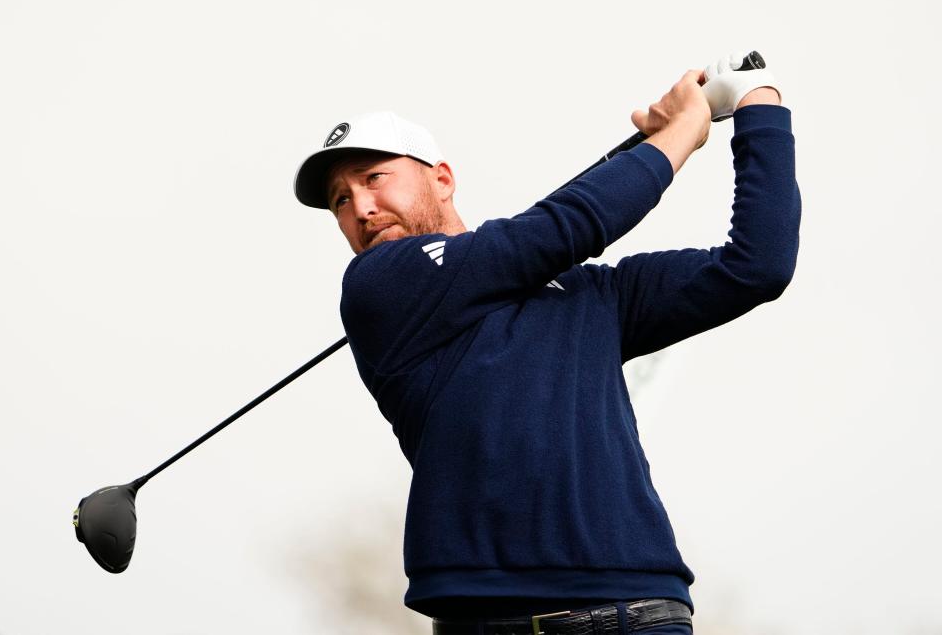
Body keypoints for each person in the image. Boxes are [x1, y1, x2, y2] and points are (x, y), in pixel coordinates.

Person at [293, 54, 800, 635]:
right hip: (490, 622)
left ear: (442, 177)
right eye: (339, 200)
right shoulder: (380, 285)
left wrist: (758, 103)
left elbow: (756, 266)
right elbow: (564, 227)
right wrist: (683, 131)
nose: (359, 208)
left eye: (373, 177)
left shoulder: (592, 294)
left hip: (639, 614)